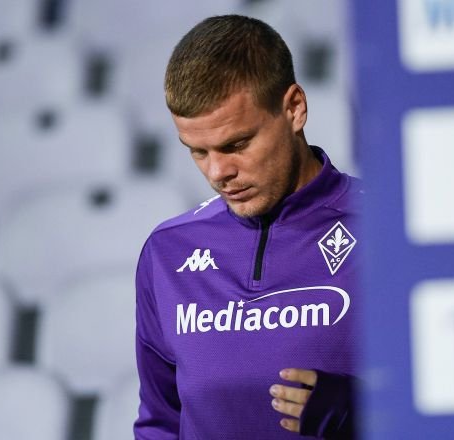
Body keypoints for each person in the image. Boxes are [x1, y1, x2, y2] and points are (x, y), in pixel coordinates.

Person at [134, 14, 361, 439]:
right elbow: (160, 424)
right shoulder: (167, 251)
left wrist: (365, 409)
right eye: (198, 151)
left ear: (294, 108)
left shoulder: (383, 231)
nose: (217, 172)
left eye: (236, 144)